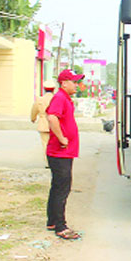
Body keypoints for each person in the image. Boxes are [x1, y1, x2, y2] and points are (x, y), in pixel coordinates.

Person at [45, 69, 85, 240]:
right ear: (64, 83)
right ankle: (61, 226)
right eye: (74, 82)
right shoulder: (60, 98)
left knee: (57, 187)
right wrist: (62, 137)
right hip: (60, 152)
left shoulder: (65, 98)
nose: (76, 85)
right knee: (62, 188)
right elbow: (52, 117)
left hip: (63, 152)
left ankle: (53, 221)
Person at [30, 80, 56, 168]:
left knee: (45, 144)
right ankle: (55, 161)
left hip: (43, 123)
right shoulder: (56, 99)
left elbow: (34, 110)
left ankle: (48, 163)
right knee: (55, 143)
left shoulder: (40, 100)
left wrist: (33, 119)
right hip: (56, 124)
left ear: (44, 89)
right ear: (54, 89)